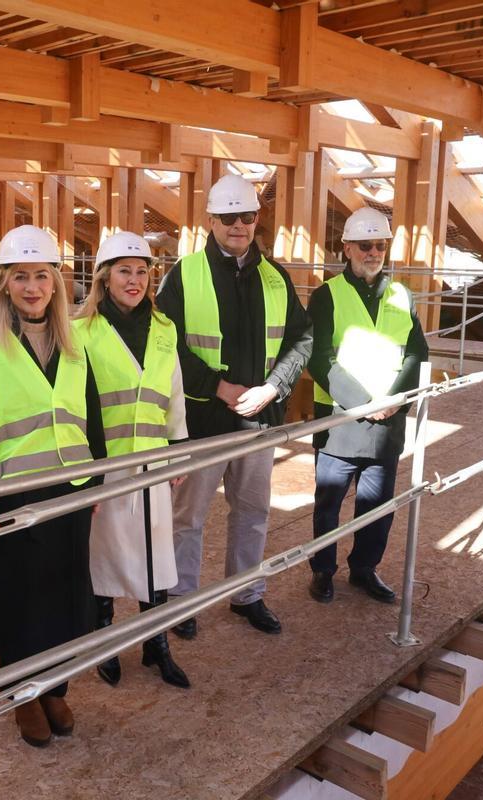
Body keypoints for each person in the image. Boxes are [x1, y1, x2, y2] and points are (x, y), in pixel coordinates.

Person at [0, 224, 106, 749]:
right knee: (22, 601)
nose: (33, 287)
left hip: (71, 488)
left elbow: (91, 416)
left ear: (56, 283)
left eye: (42, 276)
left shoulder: (73, 341)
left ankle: (55, 686)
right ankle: (21, 694)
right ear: (4, 284)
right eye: (21, 277)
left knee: (65, 597)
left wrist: (97, 483)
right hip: (14, 494)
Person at [156, 174, 312, 639]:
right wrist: (218, 387)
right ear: (210, 221)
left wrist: (275, 388)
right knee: (188, 518)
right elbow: (166, 346)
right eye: (228, 217)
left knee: (252, 511)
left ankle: (248, 594)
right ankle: (181, 601)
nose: (238, 225)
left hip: (259, 420)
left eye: (246, 216)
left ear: (256, 219)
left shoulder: (275, 277)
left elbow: (301, 340)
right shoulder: (184, 276)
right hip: (203, 422)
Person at [76, 231, 190, 690]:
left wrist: (179, 449)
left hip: (153, 462)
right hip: (107, 464)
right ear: (104, 277)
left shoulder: (164, 330)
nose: (135, 279)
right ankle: (105, 641)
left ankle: (155, 644)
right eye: (125, 270)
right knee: (104, 556)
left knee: (155, 554)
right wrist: (85, 472)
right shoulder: (82, 332)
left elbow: (174, 393)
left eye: (142, 271)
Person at [306, 207, 429, 604]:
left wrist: (395, 399)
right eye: (365, 245)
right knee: (329, 504)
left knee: (377, 506)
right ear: (346, 248)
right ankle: (323, 571)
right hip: (341, 422)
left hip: (387, 422)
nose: (373, 252)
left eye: (380, 245)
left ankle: (364, 569)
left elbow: (416, 353)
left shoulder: (401, 294)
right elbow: (318, 358)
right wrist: (363, 403)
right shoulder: (327, 296)